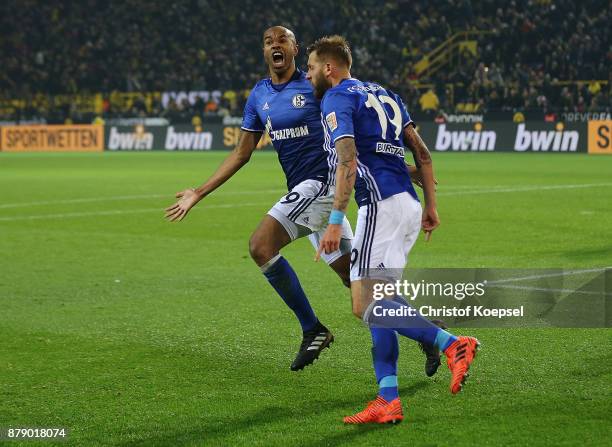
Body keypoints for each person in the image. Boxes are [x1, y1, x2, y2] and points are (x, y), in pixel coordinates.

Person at [165, 26, 440, 373]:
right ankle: (429, 336)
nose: (275, 45)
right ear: (264, 51)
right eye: (268, 41)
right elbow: (241, 153)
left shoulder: (316, 87)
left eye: (283, 40)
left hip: (321, 186)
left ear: (295, 49)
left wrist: (398, 166)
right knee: (355, 281)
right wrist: (198, 192)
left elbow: (353, 134)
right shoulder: (259, 96)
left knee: (260, 246)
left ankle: (312, 329)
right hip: (306, 193)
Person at [306, 35, 480, 424]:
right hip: (406, 206)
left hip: (379, 207)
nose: (309, 73)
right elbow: (423, 154)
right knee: (382, 306)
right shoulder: (386, 95)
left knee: (364, 304)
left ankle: (452, 343)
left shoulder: (337, 97)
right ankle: (388, 399)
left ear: (329, 68)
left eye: (313, 66)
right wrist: (431, 207)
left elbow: (347, 161)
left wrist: (335, 220)